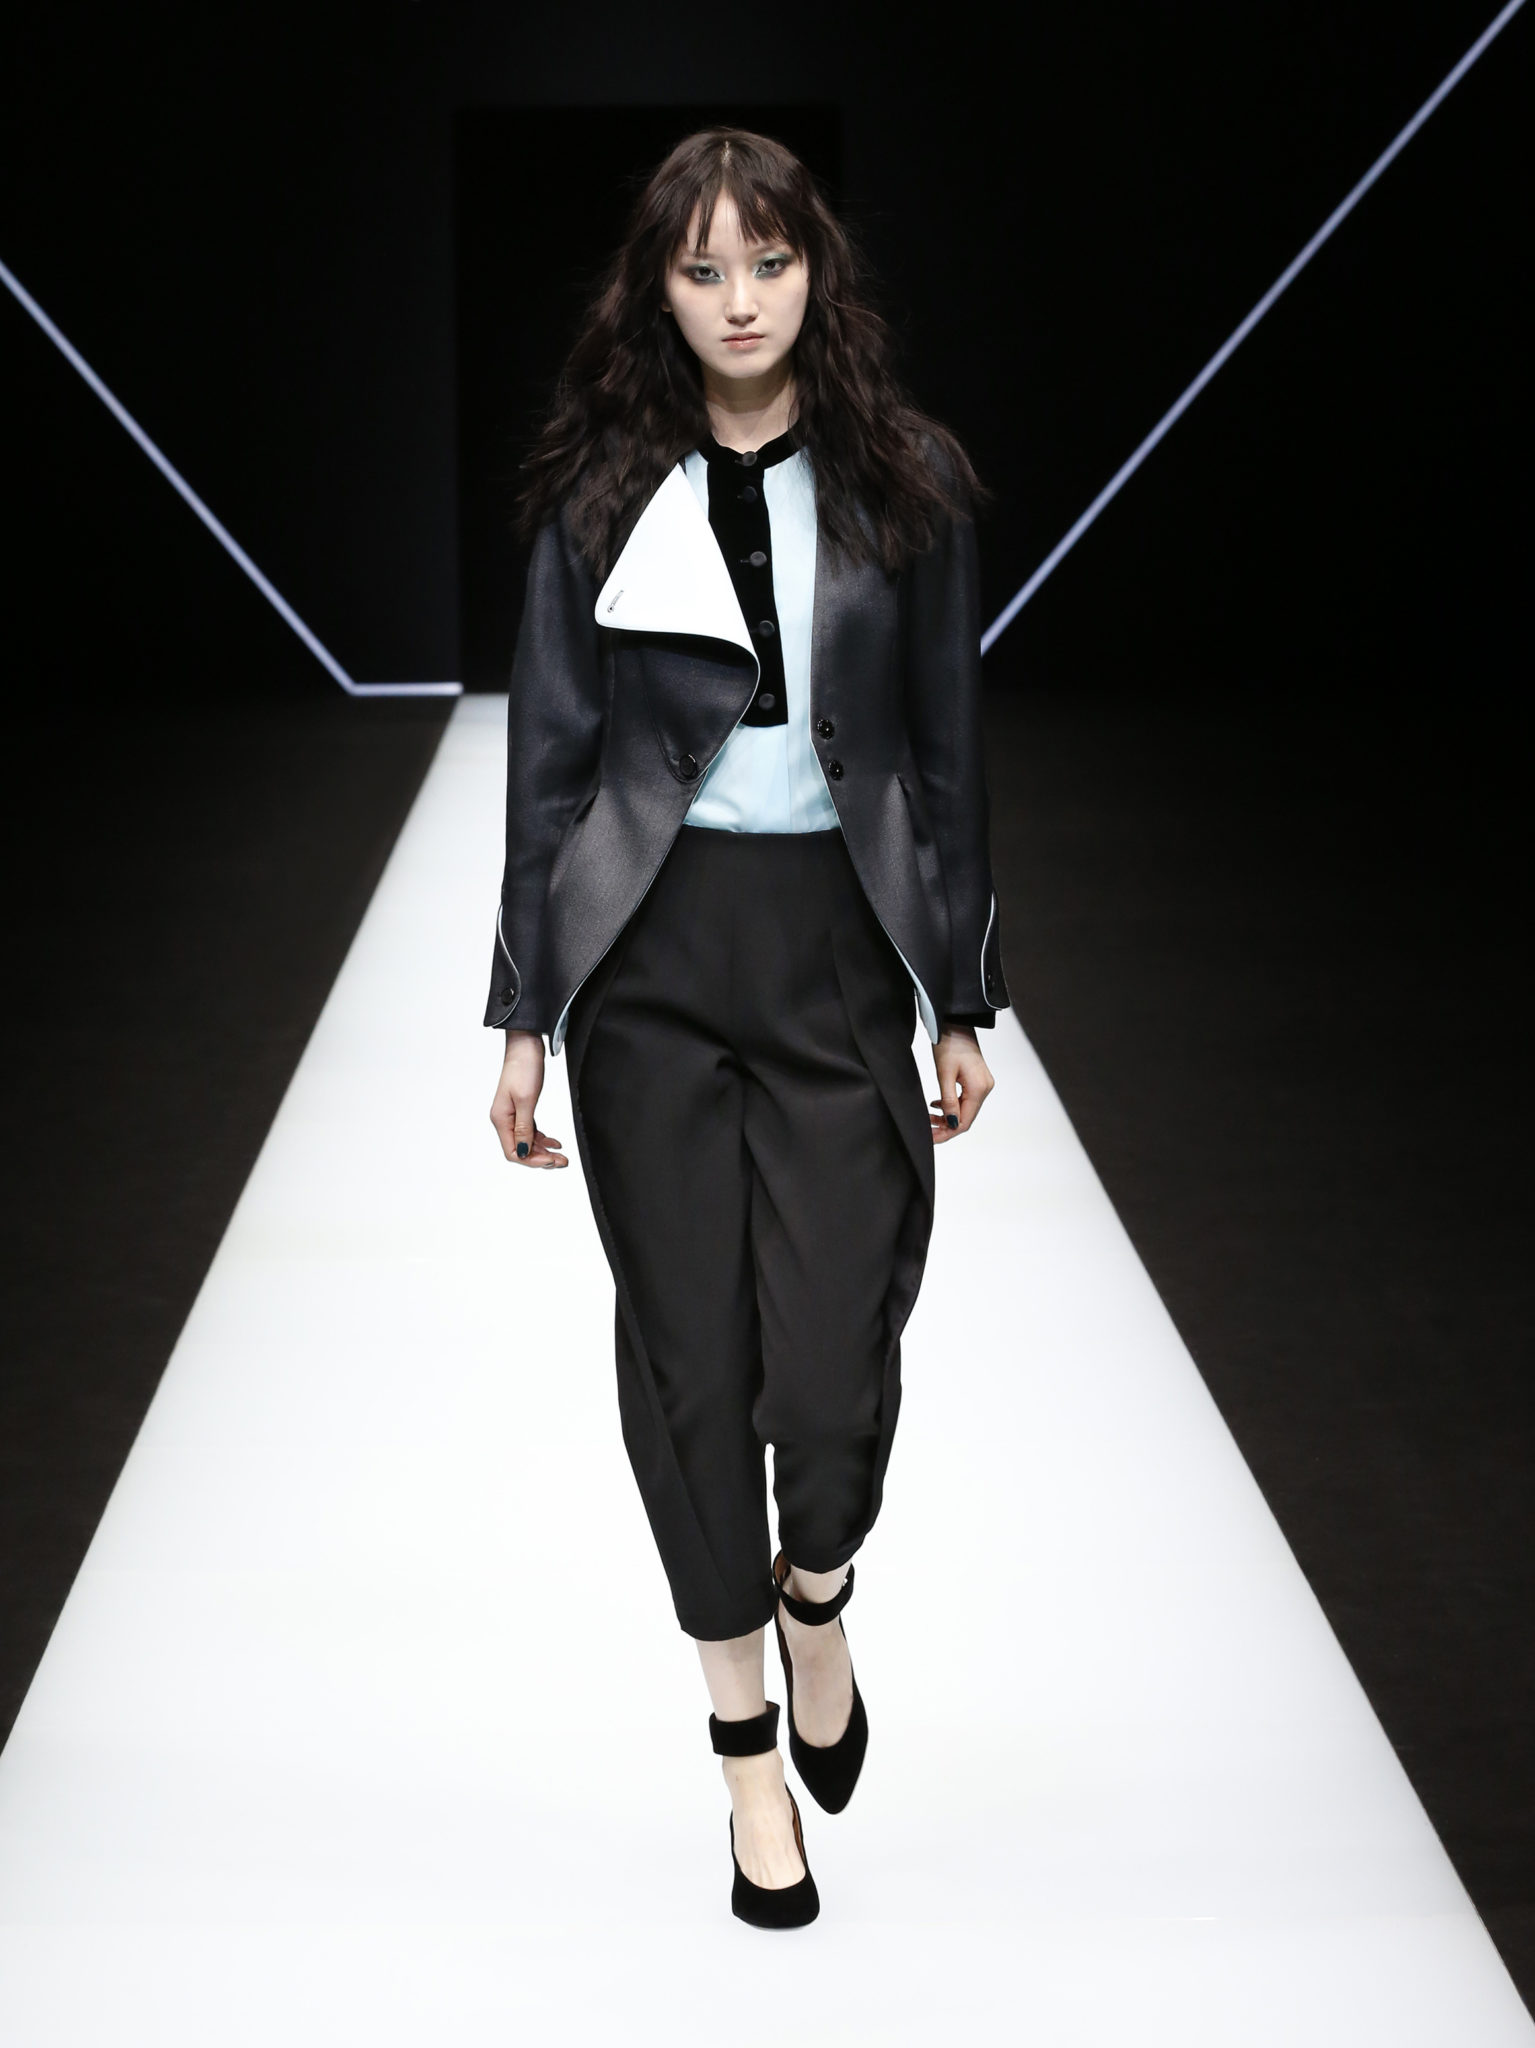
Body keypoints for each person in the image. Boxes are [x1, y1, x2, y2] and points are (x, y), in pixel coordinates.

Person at [486, 127, 1009, 1927]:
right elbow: (549, 760)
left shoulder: (905, 481)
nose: (737, 300)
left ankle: (818, 1593)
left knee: (836, 1361)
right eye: (702, 268)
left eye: (767, 263)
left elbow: (947, 753)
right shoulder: (595, 493)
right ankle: (743, 1761)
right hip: (648, 957)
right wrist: (524, 1013)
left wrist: (965, 988)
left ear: (815, 272)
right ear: (658, 287)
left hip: (839, 951)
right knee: (691, 1366)